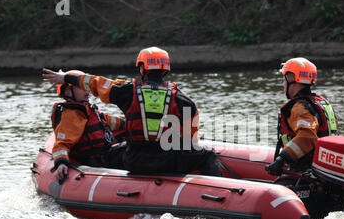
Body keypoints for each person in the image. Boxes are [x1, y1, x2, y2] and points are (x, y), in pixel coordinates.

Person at [43, 47, 222, 176]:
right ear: (165, 69)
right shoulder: (184, 100)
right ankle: (217, 192)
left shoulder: (126, 91)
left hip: (134, 160)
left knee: (111, 152)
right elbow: (190, 140)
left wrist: (66, 77)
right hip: (167, 161)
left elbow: (97, 83)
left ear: (142, 67)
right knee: (207, 155)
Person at [49, 70, 127, 181]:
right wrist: (61, 162)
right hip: (95, 159)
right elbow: (62, 143)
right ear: (68, 92)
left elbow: (108, 121)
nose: (87, 90)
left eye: (86, 86)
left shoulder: (87, 110)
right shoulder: (71, 114)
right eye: (81, 87)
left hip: (103, 154)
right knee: (133, 149)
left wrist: (130, 124)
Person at [266, 57, 339, 176]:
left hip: (307, 170)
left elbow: (307, 136)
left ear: (291, 79)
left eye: (284, 79)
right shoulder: (320, 102)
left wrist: (282, 159)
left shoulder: (300, 108)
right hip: (325, 167)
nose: (282, 84)